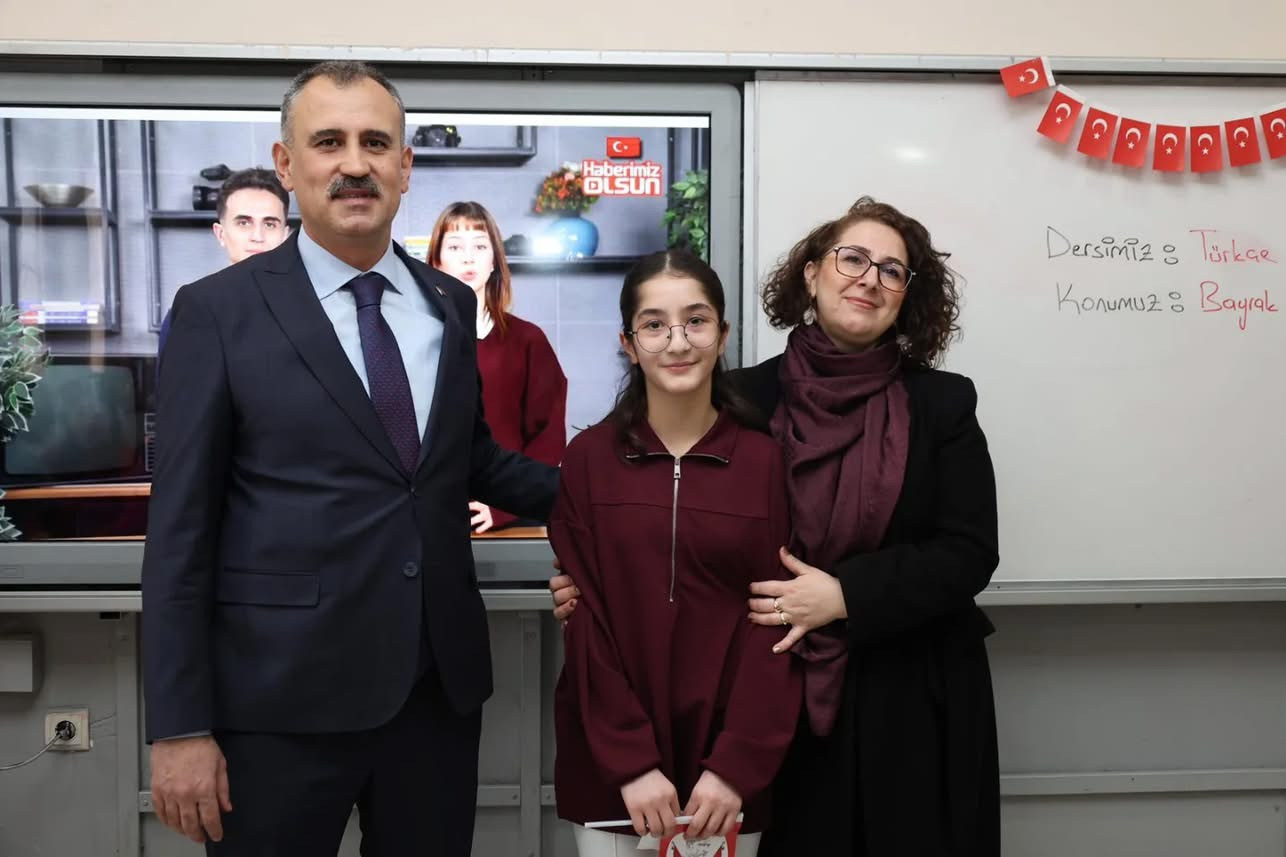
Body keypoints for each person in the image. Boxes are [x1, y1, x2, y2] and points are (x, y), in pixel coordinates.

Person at [141, 60, 558, 857]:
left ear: (406, 165)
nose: (355, 163)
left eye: (376, 143)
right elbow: (180, 534)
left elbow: (467, 459)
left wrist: (615, 495)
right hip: (276, 705)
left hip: (432, 697)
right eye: (328, 142)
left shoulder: (447, 302)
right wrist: (179, 724)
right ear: (287, 163)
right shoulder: (217, 312)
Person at [552, 197, 1001, 856]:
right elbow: (664, 514)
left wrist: (844, 594)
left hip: (908, 692)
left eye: (892, 270)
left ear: (908, 295)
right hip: (781, 705)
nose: (869, 279)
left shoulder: (942, 403)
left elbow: (969, 552)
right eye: (853, 259)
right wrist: (588, 579)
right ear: (812, 274)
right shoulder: (748, 400)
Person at [550, 249, 800, 857]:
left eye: (696, 321)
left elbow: (777, 623)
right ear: (629, 344)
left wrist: (736, 765)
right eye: (655, 325)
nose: (678, 342)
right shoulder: (588, 461)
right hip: (613, 772)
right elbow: (586, 623)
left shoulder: (767, 463)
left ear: (723, 335)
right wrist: (631, 763)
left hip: (728, 780)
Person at [429, 201, 567, 533]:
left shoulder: (527, 339)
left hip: (511, 516)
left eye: (480, 246)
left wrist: (502, 506)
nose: (468, 258)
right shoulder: (416, 337)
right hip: (432, 515)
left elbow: (548, 435)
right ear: (436, 260)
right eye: (455, 247)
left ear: (494, 260)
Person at [157, 167, 290, 356]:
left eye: (269, 224)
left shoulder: (311, 312)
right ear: (221, 234)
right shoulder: (189, 315)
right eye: (244, 223)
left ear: (285, 236)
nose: (257, 236)